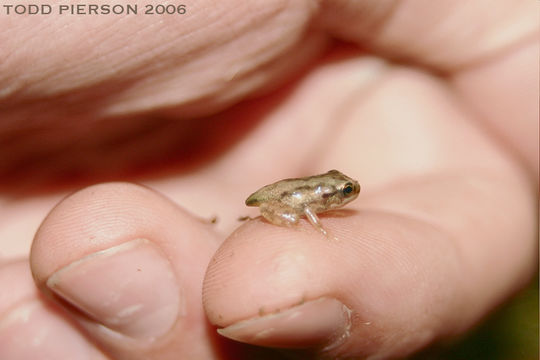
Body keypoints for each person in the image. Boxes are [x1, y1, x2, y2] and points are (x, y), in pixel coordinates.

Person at [0, 1, 537, 359]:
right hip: (276, 200)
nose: (348, 196)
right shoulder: (316, 197)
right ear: (332, 194)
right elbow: (294, 203)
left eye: (345, 191)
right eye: (344, 193)